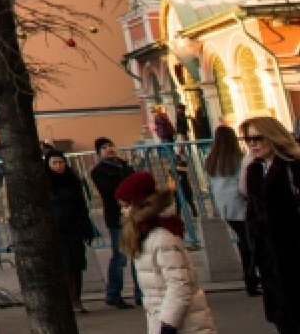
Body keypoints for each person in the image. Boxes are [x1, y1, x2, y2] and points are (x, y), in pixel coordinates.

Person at [115, 169, 214, 334]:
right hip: (165, 318)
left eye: (126, 206)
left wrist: (168, 325)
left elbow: (179, 284)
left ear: (140, 204)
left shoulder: (161, 238)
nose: (122, 212)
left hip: (182, 323)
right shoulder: (144, 236)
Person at [246, 115, 300, 334]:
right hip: (270, 258)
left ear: (272, 136)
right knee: (283, 319)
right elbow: (252, 211)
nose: (252, 144)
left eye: (257, 139)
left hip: (295, 252)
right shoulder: (255, 170)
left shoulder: (293, 167)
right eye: (247, 140)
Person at [92, 137, 142, 309]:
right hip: (116, 216)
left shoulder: (125, 166)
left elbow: (138, 184)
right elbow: (110, 191)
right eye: (104, 147)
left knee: (137, 254)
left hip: (134, 213)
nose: (109, 149)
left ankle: (141, 292)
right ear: (99, 152)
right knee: (120, 257)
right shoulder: (99, 171)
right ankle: (114, 293)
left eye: (110, 145)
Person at [206, 126, 255, 296]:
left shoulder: (211, 160)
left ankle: (250, 280)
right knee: (248, 242)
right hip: (240, 204)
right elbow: (243, 185)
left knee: (243, 241)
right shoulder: (238, 159)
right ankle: (252, 279)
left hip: (225, 207)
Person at [47, 150, 97, 312]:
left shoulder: (73, 181)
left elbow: (81, 206)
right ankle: (67, 300)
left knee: (76, 265)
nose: (59, 166)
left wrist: (86, 226)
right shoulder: (45, 182)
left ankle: (76, 299)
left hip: (74, 227)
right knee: (65, 266)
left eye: (61, 162)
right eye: (54, 163)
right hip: (56, 229)